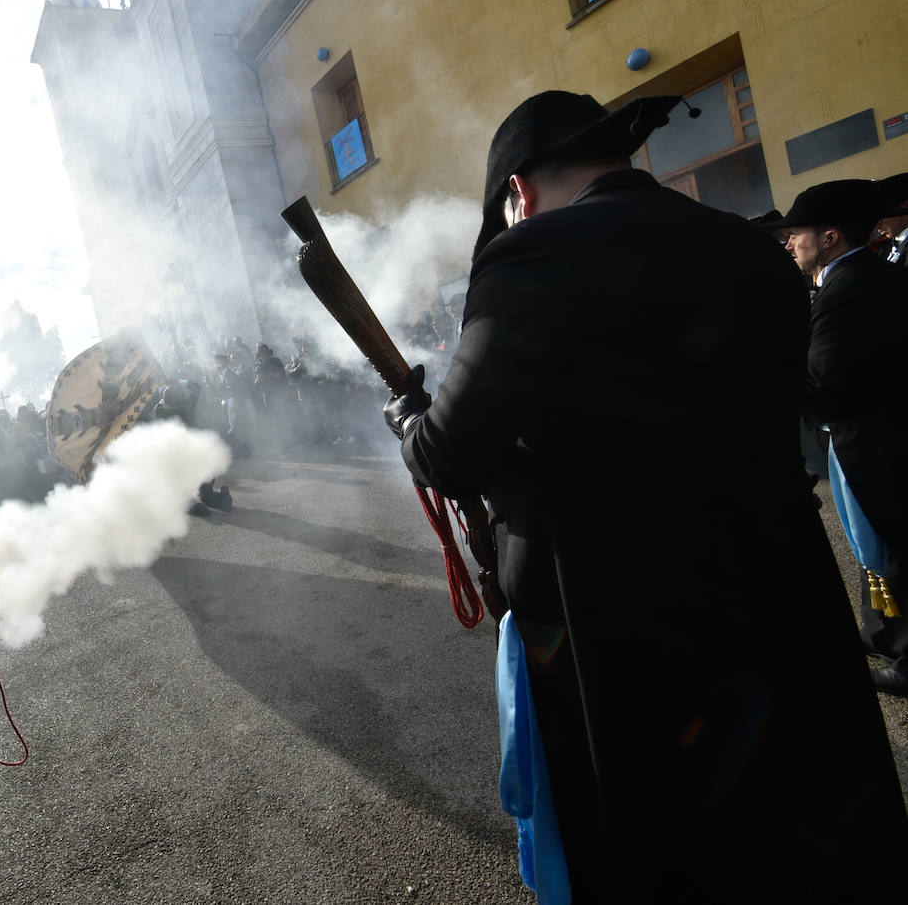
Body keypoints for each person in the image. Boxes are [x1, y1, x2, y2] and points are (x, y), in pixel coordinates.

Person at [384, 91, 908, 899]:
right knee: (797, 832)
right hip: (777, 585)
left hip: (621, 618)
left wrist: (409, 417)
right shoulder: (747, 248)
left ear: (518, 191)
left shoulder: (530, 256)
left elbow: (451, 452)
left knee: (656, 850)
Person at [781, 179, 908, 695]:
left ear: (829, 237)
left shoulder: (847, 288)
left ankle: (905, 658)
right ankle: (879, 631)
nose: (790, 243)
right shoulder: (866, 275)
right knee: (867, 542)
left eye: (797, 234)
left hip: (874, 440)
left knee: (889, 546)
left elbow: (823, 385)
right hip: (871, 435)